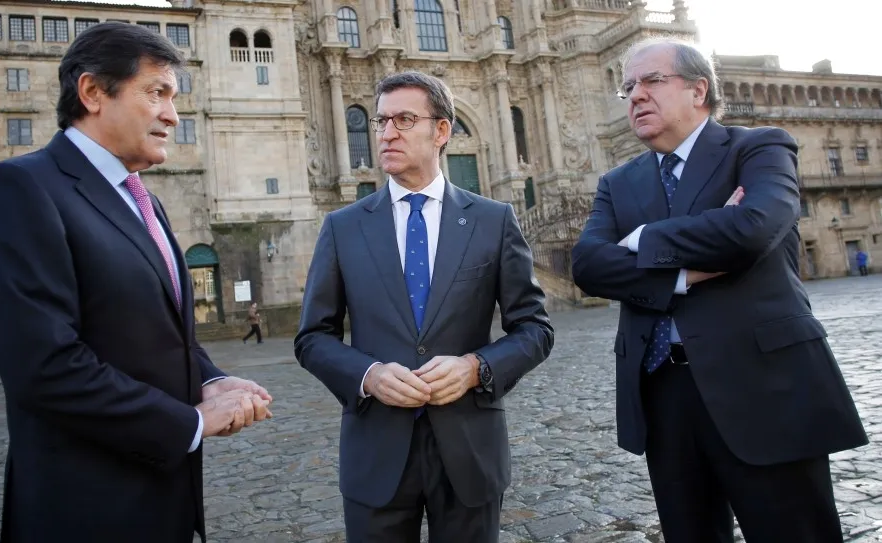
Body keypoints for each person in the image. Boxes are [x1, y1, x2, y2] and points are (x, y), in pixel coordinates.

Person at [0, 22, 273, 543]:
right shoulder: (18, 188)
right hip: (85, 509)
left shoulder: (143, 200)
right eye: (156, 93)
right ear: (92, 92)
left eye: (174, 97)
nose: (173, 115)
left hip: (163, 500)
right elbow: (44, 367)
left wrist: (210, 380)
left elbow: (160, 331)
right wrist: (192, 423)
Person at [571, 38, 867, 542]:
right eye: (628, 87)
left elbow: (752, 229)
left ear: (698, 89)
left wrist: (640, 239)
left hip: (764, 385)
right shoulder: (617, 182)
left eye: (651, 81)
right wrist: (684, 272)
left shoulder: (758, 147)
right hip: (663, 395)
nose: (635, 95)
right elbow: (588, 265)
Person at [294, 71, 554, 543]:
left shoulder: (493, 221)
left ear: (441, 131)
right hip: (376, 453)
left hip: (470, 452)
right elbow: (312, 338)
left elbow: (535, 329)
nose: (386, 133)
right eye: (381, 121)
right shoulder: (343, 227)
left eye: (404, 120)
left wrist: (476, 368)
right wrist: (368, 375)